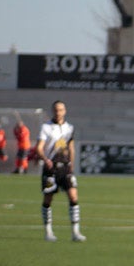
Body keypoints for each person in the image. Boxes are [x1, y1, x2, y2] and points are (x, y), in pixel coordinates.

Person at [37, 101, 84, 242]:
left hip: (65, 168)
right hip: (51, 169)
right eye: (56, 110)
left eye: (61, 110)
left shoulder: (69, 128)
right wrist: (45, 159)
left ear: (65, 111)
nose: (59, 112)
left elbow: (71, 147)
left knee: (73, 197)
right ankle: (48, 231)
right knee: (48, 199)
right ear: (53, 111)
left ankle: (75, 232)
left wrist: (72, 163)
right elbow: (39, 147)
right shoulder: (46, 127)